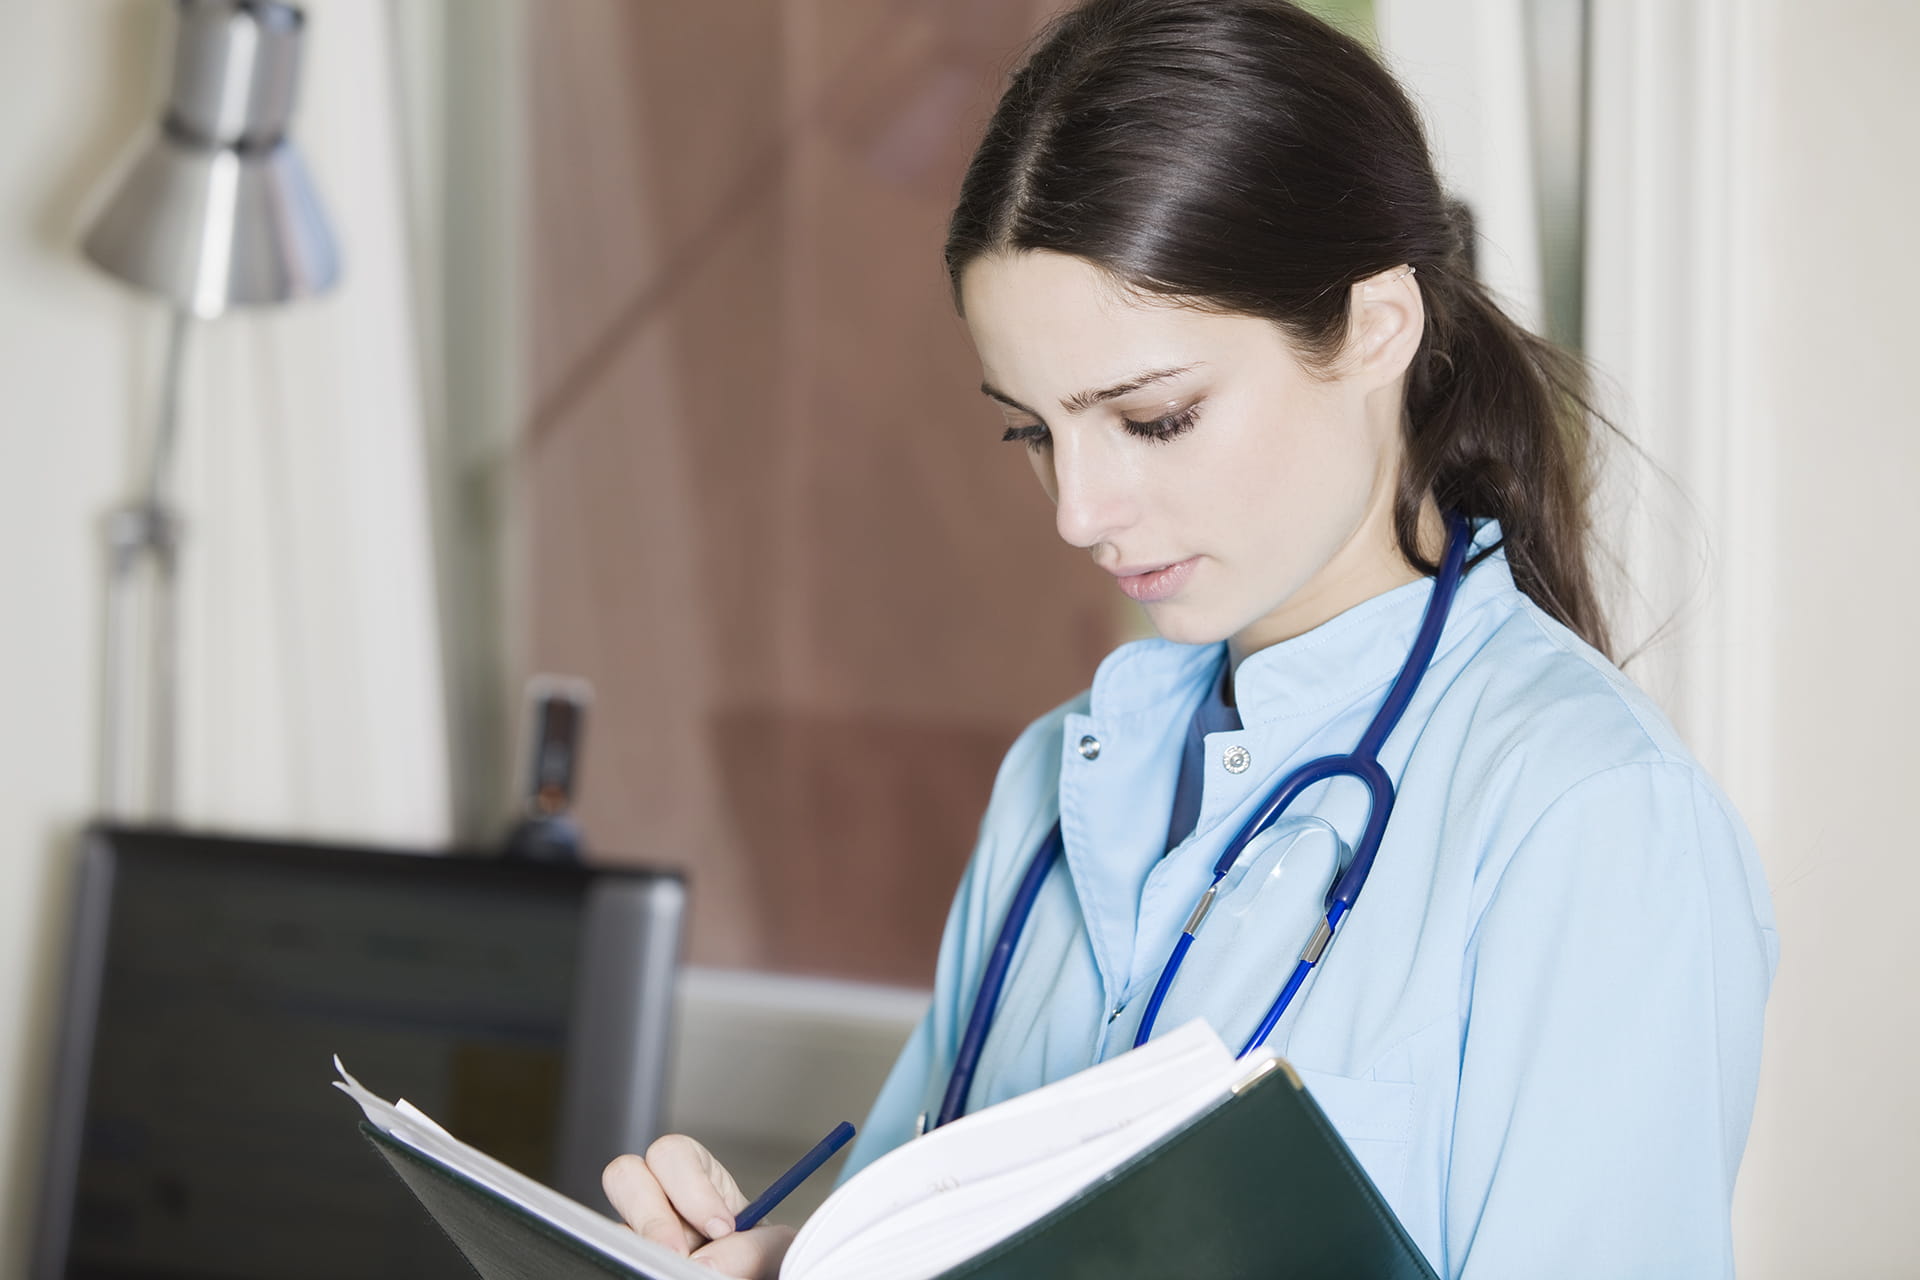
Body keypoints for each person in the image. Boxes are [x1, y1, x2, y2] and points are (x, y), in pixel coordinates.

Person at [601, 1, 1779, 1275]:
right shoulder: (1053, 782)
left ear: (1377, 326)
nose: (1077, 510)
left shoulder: (1589, 818)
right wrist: (781, 1263)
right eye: (1033, 429)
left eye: (1154, 418)